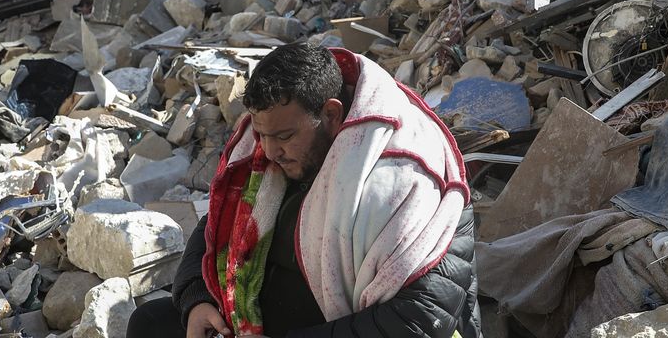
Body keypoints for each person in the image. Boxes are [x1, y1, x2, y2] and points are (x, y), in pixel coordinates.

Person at [128, 43, 480, 338]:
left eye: (283, 137)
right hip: (261, 319)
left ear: (330, 115)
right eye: (261, 135)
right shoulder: (280, 150)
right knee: (150, 324)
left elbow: (421, 317)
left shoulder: (412, 182)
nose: (267, 151)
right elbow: (218, 228)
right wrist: (199, 299)